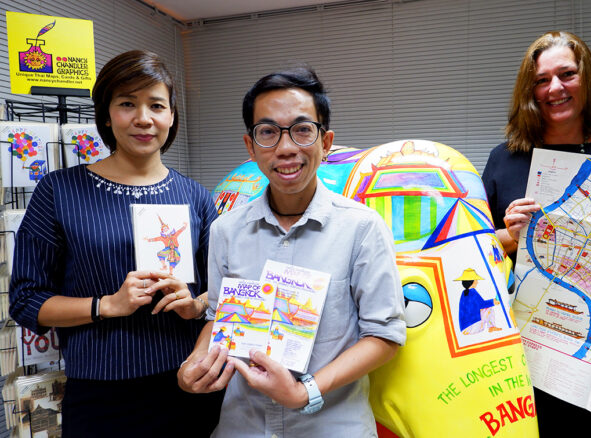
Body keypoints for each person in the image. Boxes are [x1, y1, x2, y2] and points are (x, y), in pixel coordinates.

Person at [177, 67, 406, 437]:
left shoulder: (363, 229)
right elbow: (218, 319)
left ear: (325, 142)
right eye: (267, 132)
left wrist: (304, 391)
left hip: (331, 426)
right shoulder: (226, 230)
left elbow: (384, 335)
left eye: (302, 130)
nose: (286, 148)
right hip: (242, 425)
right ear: (251, 146)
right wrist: (195, 363)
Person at [9, 50, 224, 437]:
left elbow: (226, 291)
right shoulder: (59, 191)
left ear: (172, 116)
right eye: (127, 104)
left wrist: (195, 306)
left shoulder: (196, 197)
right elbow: (26, 301)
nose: (144, 118)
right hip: (101, 395)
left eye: (156, 105)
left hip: (188, 385)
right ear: (107, 115)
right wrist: (107, 305)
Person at [482, 31, 591, 436]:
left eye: (567, 74)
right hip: (538, 351)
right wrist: (510, 235)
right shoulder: (504, 160)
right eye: (542, 80)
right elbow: (474, 252)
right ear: (530, 90)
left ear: (587, 80)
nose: (555, 88)